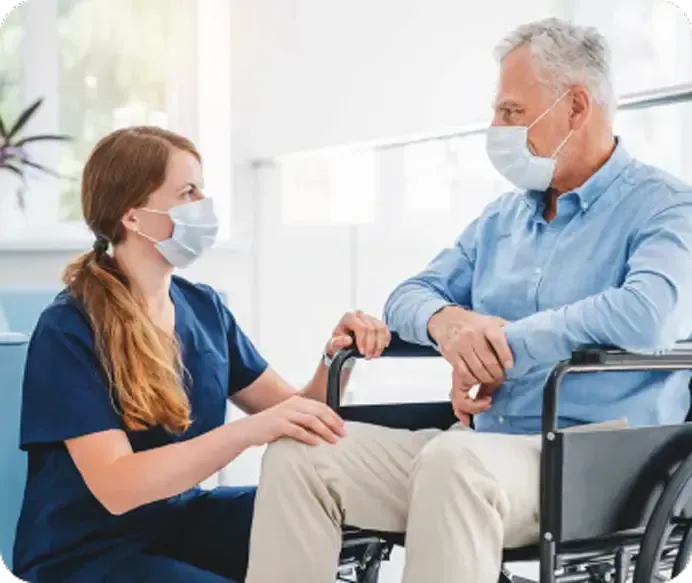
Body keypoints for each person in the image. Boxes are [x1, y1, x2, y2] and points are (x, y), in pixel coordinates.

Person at [244, 17, 692, 583]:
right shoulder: (504, 217)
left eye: (511, 111)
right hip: (480, 446)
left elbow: (647, 313)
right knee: (301, 454)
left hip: (597, 461)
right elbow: (408, 295)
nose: (496, 128)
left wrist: (502, 344)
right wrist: (450, 325)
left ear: (576, 108)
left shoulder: (665, 207)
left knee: (454, 464)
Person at [11, 126, 391, 583]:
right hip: (85, 555)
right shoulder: (70, 328)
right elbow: (117, 487)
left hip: (177, 523)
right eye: (188, 192)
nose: (204, 204)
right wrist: (247, 433)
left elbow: (297, 413)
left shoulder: (204, 308)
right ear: (132, 217)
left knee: (309, 509)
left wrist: (335, 359)